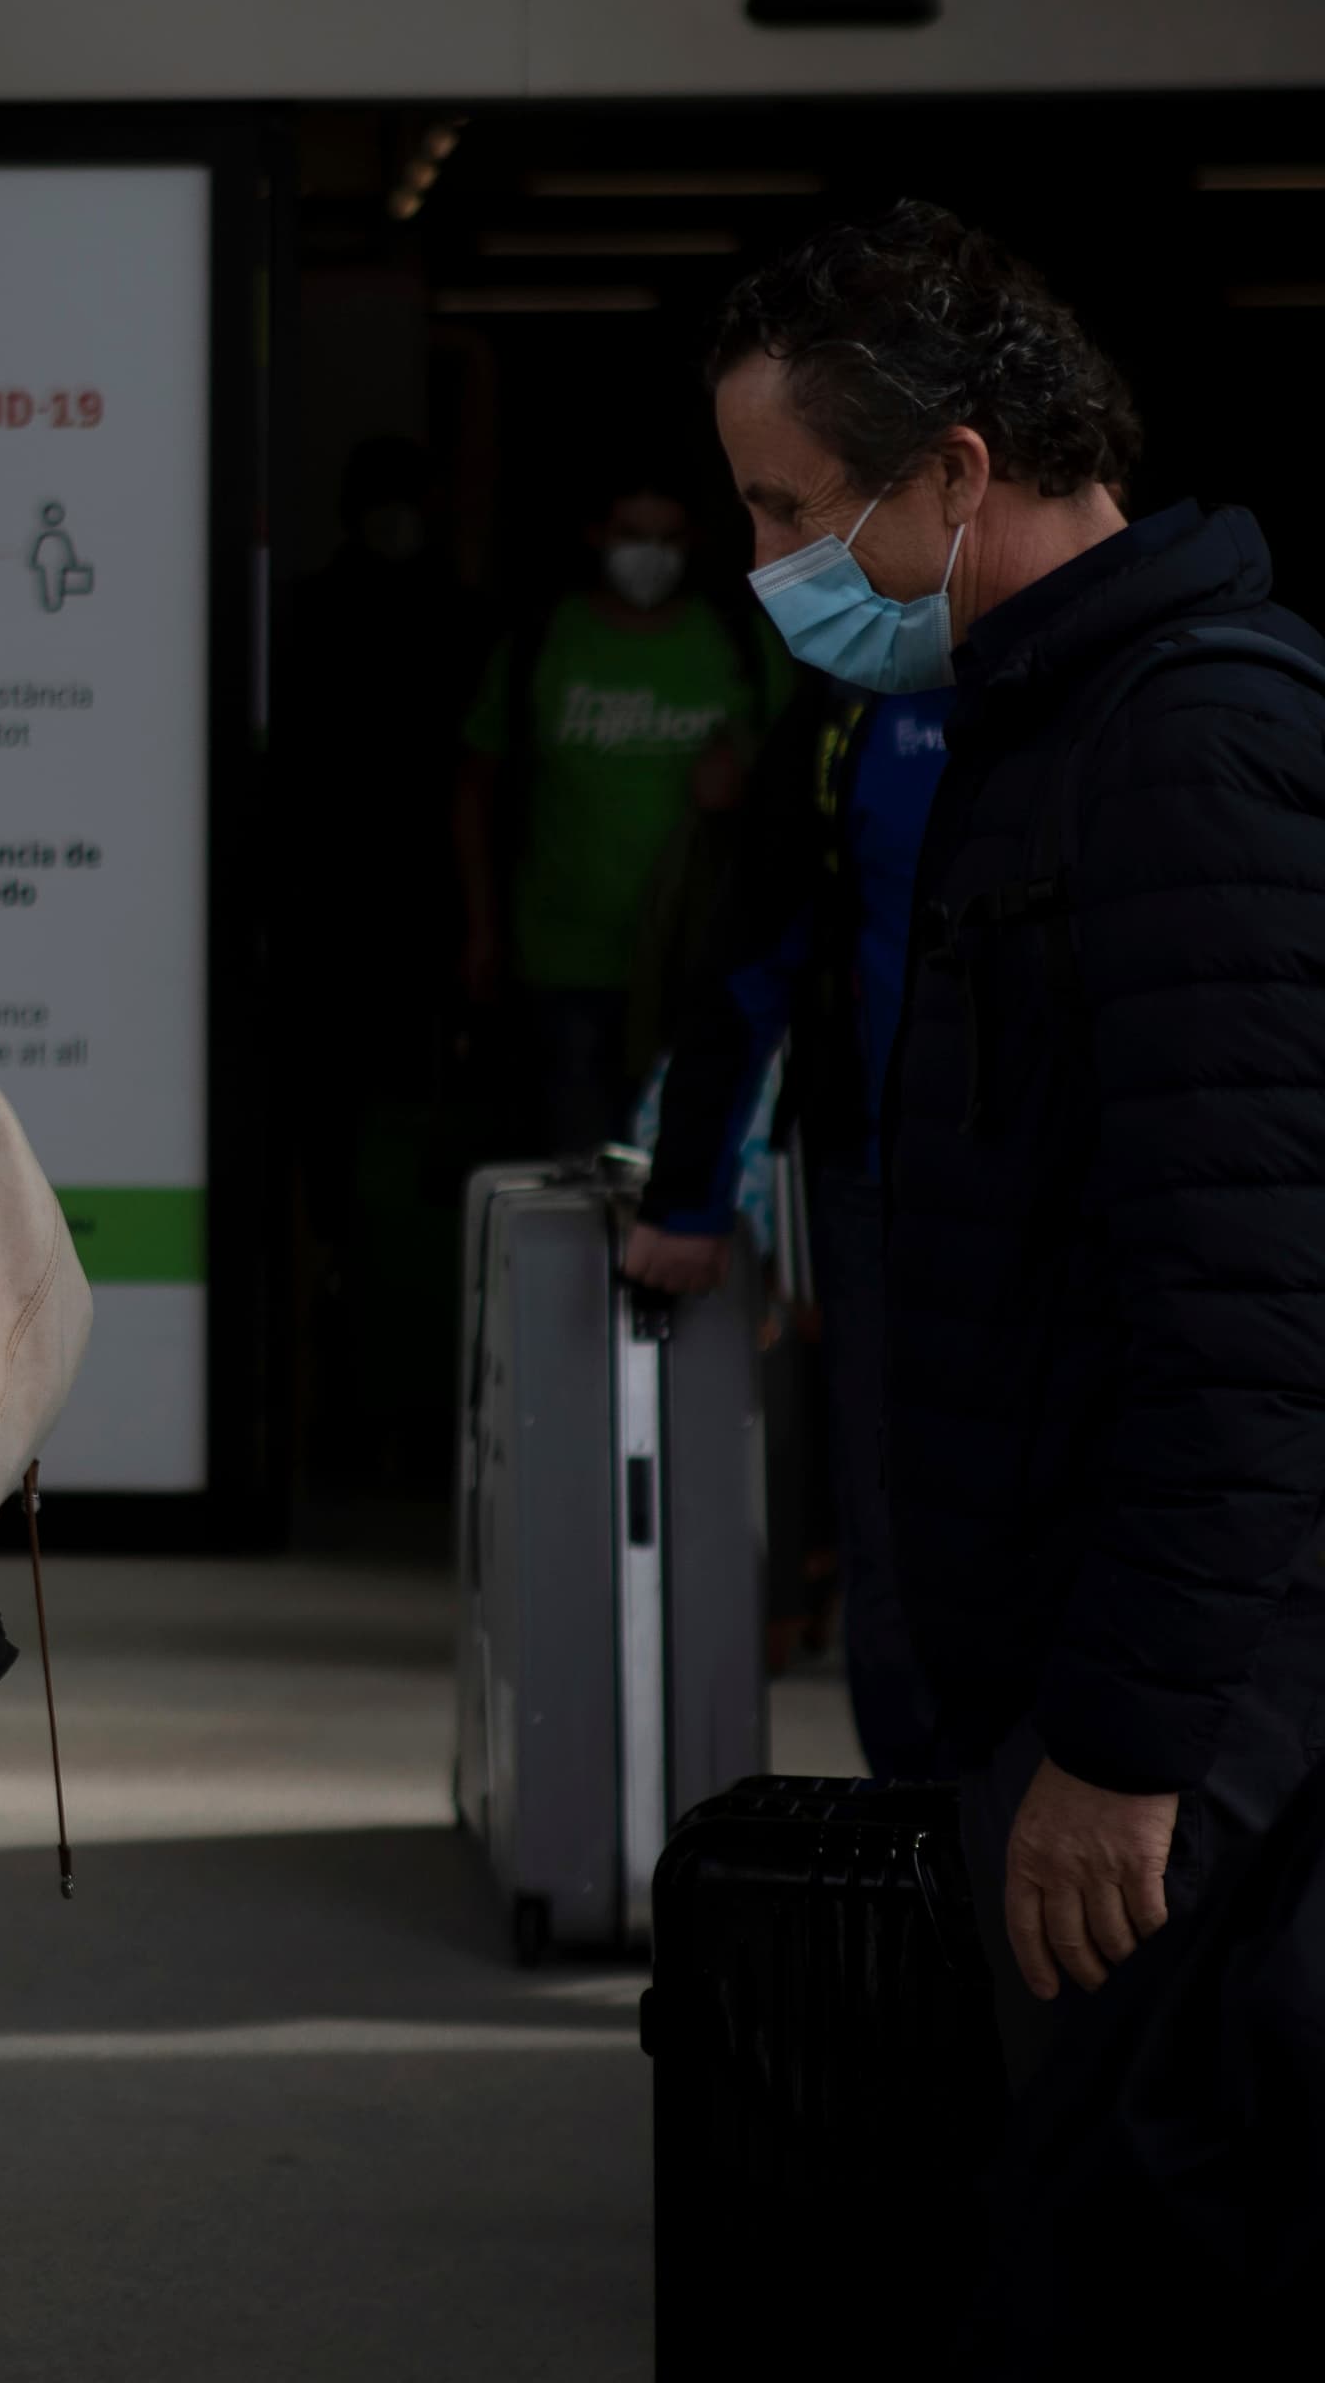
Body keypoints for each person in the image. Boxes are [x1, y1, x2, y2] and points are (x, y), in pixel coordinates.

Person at [713, 201, 1325, 2362]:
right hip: (1063, 1667)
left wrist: (1130, 1745)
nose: (770, 561)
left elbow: (1253, 1311)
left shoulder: (1190, 752)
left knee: (1134, 2235)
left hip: (1175, 1722)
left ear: (957, 473)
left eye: (794, 509)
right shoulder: (1038, 719)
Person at [622, 655, 954, 1781]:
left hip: (1089, 1192)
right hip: (880, 1173)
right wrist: (687, 1196)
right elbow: (753, 948)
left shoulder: (1129, 680)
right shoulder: (849, 706)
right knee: (896, 1510)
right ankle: (929, 1846)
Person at [455, 470, 790, 1155]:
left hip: (703, 966)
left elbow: (808, 783)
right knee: (579, 1171)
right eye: (633, 536)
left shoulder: (740, 645)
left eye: (668, 538)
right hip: (564, 960)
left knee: (693, 1170)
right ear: (596, 535)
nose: (651, 554)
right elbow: (473, 789)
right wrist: (481, 930)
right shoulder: (540, 646)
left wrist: (745, 785)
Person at [272, 435, 485, 1485]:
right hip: (352, 922)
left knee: (391, 1169)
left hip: (406, 925)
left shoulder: (455, 615)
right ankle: (350, 1396)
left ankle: (384, 1391)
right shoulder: (323, 613)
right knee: (345, 1167)